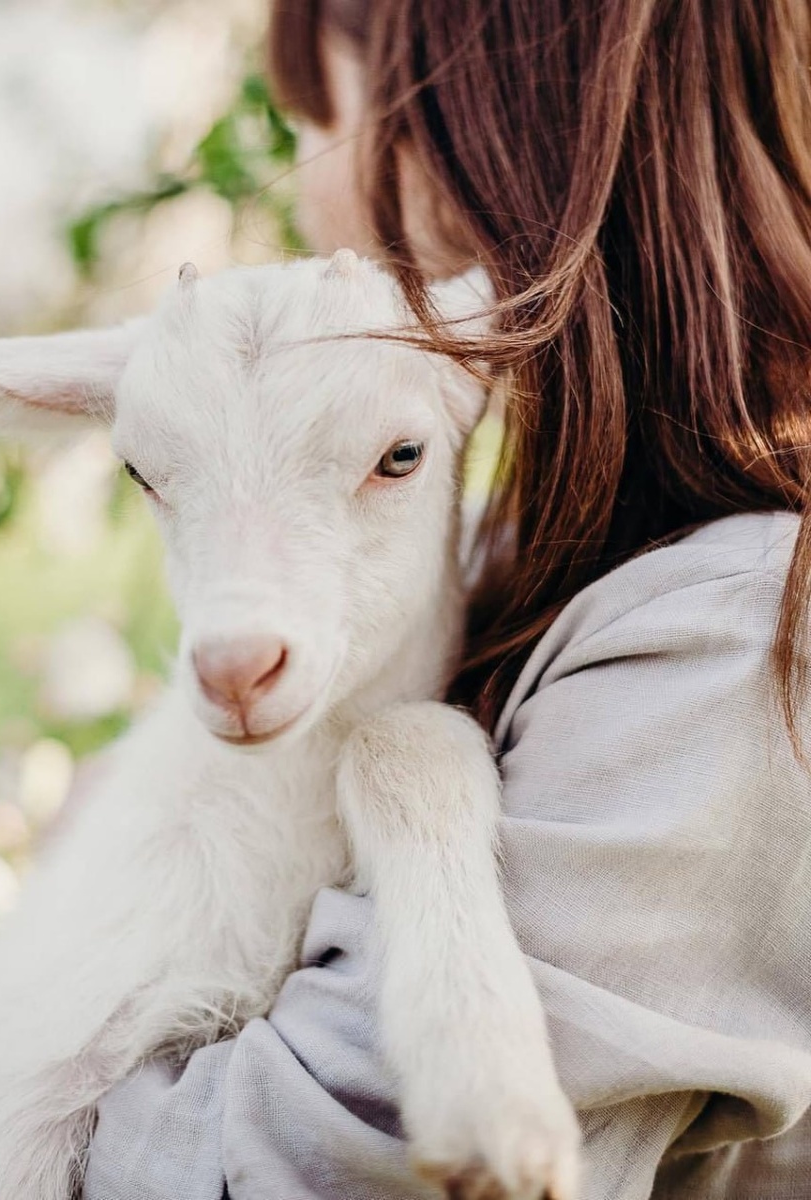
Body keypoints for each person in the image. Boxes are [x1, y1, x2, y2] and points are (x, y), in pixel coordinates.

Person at [83, 1, 811, 1196]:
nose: (304, 195)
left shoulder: (736, 647)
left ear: (472, 133)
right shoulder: (518, 554)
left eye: (315, 114)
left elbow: (294, 1167)